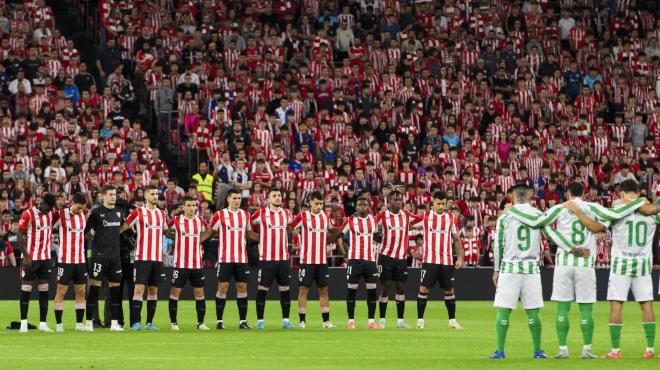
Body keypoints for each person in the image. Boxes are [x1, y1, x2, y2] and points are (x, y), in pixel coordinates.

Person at [508, 182, 646, 358]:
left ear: (567, 194)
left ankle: (563, 350)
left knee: (562, 309)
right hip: (585, 264)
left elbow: (538, 223)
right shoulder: (591, 206)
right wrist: (639, 202)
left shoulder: (560, 208)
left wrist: (511, 210)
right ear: (584, 194)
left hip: (564, 263)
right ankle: (587, 349)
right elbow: (615, 213)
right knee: (586, 309)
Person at [568, 180, 659, 359]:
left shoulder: (617, 212)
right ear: (638, 192)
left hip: (620, 266)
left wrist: (578, 212)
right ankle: (650, 350)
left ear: (623, 194)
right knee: (646, 305)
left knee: (616, 305)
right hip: (643, 265)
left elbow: (597, 228)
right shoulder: (652, 214)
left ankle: (615, 351)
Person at [490, 184, 548, 359]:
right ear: (530, 195)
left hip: (509, 268)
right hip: (531, 269)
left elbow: (498, 245)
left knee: (503, 310)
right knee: (533, 311)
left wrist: (496, 270)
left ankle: (500, 351)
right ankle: (538, 351)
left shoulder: (504, 217)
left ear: (512, 197)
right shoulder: (538, 215)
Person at [121, 185, 169, 331]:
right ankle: (136, 322)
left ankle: (149, 323)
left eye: (157, 194)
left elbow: (167, 231)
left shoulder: (162, 214)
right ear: (146, 196)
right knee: (139, 289)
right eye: (153, 194)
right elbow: (124, 227)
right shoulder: (138, 212)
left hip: (157, 259)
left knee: (153, 291)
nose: (156, 196)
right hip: (142, 258)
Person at [204, 188, 253, 329]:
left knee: (242, 287)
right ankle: (219, 321)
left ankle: (242, 321)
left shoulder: (245, 215)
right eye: (235, 198)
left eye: (239, 198)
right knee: (222, 288)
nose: (237, 201)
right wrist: (194, 241)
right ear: (228, 199)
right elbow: (209, 232)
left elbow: (250, 234)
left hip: (241, 259)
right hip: (225, 258)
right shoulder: (219, 215)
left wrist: (266, 239)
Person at [415, 191, 465, 329]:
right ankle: (420, 321)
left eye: (443, 203)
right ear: (433, 203)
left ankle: (452, 321)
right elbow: (408, 225)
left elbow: (456, 239)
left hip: (447, 261)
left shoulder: (451, 218)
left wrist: (460, 257)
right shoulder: (425, 217)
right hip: (429, 261)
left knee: (449, 290)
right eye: (438, 203)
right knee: (424, 289)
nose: (441, 206)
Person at [290, 191, 340, 329]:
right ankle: (302, 321)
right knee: (303, 290)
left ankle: (326, 322)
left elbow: (334, 230)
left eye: (321, 203)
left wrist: (330, 239)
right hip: (306, 261)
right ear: (310, 202)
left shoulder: (326, 217)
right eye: (316, 203)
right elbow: (290, 227)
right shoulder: (303, 216)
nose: (319, 206)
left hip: (322, 261)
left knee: (323, 290)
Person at [374, 190, 421, 329]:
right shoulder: (382, 216)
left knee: (400, 287)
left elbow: (419, 219)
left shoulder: (406, 215)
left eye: (400, 200)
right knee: (386, 286)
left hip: (401, 258)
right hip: (385, 257)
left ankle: (400, 321)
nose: (398, 202)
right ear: (389, 201)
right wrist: (377, 235)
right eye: (395, 200)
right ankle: (382, 320)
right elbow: (372, 231)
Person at [250, 188, 294, 330]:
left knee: (285, 290)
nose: (277, 198)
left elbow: (290, 229)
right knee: (262, 290)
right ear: (268, 199)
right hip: (266, 260)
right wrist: (257, 238)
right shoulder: (261, 213)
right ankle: (260, 321)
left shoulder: (287, 214)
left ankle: (286, 321)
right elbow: (247, 227)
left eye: (279, 195)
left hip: (283, 260)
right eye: (274, 196)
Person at [84, 185, 125, 331]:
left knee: (115, 291)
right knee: (94, 289)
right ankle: (89, 322)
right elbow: (86, 231)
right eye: (110, 194)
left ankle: (114, 323)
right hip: (99, 257)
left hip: (115, 258)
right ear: (103, 196)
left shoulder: (119, 212)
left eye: (115, 194)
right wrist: (92, 235)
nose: (114, 197)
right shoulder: (96, 212)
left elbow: (122, 228)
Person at [333, 196, 379, 329]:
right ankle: (351, 321)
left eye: (365, 205)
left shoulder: (374, 220)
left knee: (372, 292)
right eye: (359, 205)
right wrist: (326, 241)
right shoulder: (350, 221)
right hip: (354, 261)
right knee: (351, 291)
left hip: (370, 261)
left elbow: (377, 236)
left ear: (369, 207)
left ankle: (371, 321)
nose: (362, 207)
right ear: (356, 207)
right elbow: (339, 234)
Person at [165, 196, 209, 331]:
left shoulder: (200, 220)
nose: (191, 208)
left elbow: (208, 232)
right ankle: (174, 323)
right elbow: (165, 230)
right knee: (175, 292)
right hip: (180, 264)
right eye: (189, 205)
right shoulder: (177, 220)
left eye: (194, 205)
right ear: (183, 207)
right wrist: (173, 236)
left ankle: (201, 323)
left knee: (200, 293)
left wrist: (199, 240)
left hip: (197, 264)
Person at [17, 193, 57, 333]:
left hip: (45, 259)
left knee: (44, 291)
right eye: (47, 207)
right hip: (30, 259)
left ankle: (43, 323)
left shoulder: (51, 214)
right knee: (26, 289)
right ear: (41, 202)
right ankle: (23, 323)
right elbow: (19, 235)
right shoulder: (28, 214)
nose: (48, 210)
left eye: (50, 208)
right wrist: (26, 256)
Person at [53, 193, 88, 332]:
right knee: (61, 291)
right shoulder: (61, 215)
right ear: (72, 202)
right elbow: (50, 228)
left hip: (80, 260)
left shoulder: (84, 216)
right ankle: (59, 324)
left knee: (81, 291)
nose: (80, 211)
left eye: (82, 209)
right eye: (79, 208)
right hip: (65, 260)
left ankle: (79, 325)